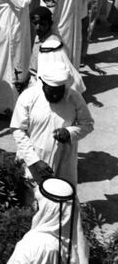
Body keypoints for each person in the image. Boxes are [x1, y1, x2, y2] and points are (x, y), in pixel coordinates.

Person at [11, 56, 94, 186]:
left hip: (63, 159)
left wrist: (70, 132)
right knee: (31, 197)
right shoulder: (28, 97)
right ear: (43, 83)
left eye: (59, 90)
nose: (55, 95)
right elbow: (18, 130)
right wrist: (35, 161)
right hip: (32, 160)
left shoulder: (74, 97)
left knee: (62, 196)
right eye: (52, 90)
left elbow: (88, 124)